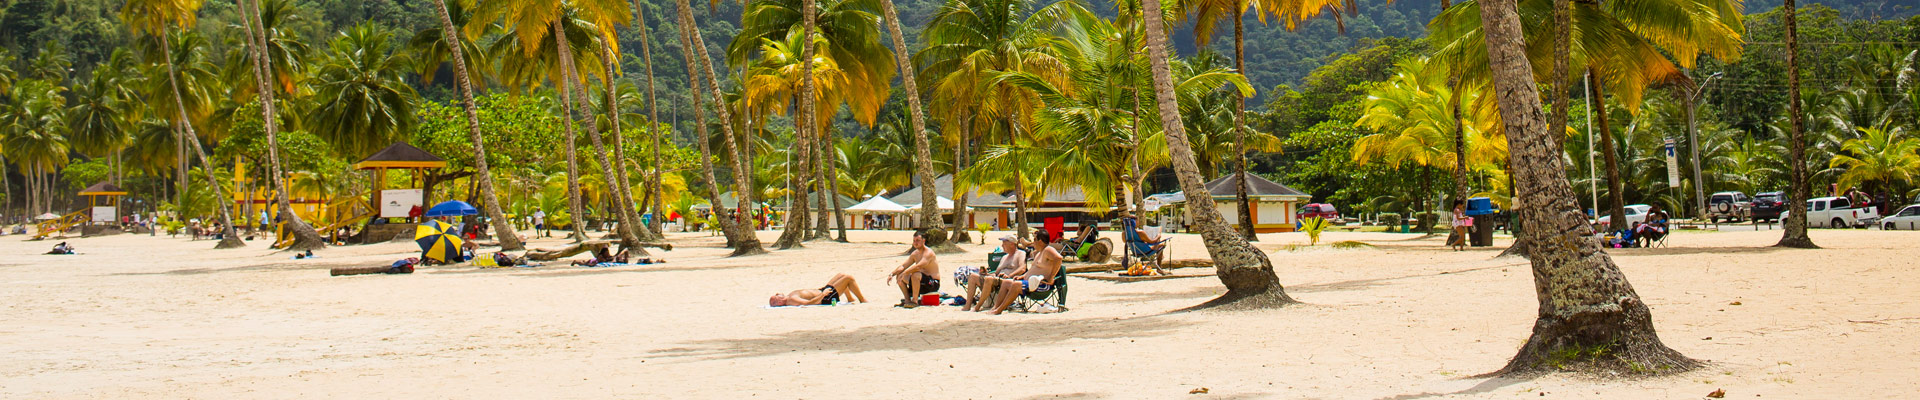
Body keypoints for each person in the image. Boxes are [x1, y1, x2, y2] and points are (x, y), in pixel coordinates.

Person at [982, 231, 1063, 315]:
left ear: (1040, 241)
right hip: (1030, 283)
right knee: (1006, 282)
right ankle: (996, 307)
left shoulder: (1048, 250)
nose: (1033, 242)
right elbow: (1033, 270)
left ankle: (999, 310)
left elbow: (1059, 258)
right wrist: (1022, 276)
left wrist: (1051, 277)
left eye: (1034, 239)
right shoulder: (1039, 253)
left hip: (1042, 285)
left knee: (1016, 285)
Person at [960, 236, 1028, 312]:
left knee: (989, 279)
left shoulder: (1020, 254)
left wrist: (1010, 275)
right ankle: (968, 305)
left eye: (1004, 243)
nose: (1002, 246)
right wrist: (986, 273)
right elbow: (996, 273)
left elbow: (1022, 268)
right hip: (996, 279)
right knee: (973, 276)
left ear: (1012, 244)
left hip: (1008, 281)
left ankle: (978, 306)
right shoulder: (1004, 257)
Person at [887, 230, 941, 308]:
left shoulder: (928, 253)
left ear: (923, 241)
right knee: (899, 275)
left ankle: (914, 301)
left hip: (932, 283)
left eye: (918, 240)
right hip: (919, 282)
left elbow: (918, 266)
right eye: (914, 241)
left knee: (915, 274)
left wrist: (905, 273)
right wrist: (892, 274)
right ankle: (907, 300)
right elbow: (903, 266)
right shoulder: (915, 254)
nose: (916, 243)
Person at [769, 273, 869, 307]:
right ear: (780, 301)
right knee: (849, 278)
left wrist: (822, 291)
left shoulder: (789, 296)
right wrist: (823, 294)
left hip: (822, 291)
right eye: (777, 295)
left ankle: (850, 298)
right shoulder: (791, 299)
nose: (778, 293)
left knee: (841, 275)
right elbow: (808, 303)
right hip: (825, 297)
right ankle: (862, 299)